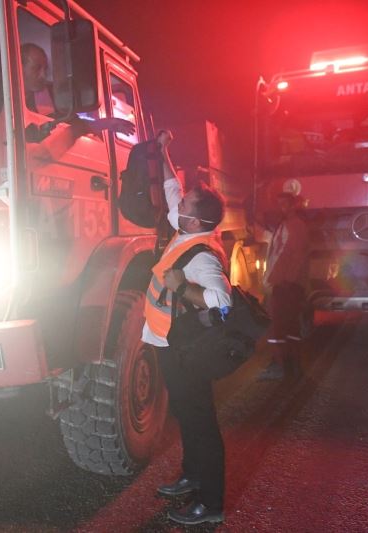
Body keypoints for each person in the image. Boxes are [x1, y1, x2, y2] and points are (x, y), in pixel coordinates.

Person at [143, 131, 231, 525]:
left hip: (186, 353)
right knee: (185, 414)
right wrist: (163, 151)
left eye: (186, 207)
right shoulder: (187, 231)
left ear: (193, 220)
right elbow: (171, 187)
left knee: (200, 422)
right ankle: (192, 476)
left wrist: (187, 288)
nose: (177, 206)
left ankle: (210, 503)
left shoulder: (202, 257)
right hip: (166, 343)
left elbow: (223, 301)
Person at [19, 42, 134, 150]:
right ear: (19, 66)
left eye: (45, 69)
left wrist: (107, 123)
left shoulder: (52, 95)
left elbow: (78, 125)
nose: (43, 75)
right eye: (36, 68)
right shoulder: (3, 99)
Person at [259, 191, 309, 381]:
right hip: (291, 285)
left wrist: (271, 281)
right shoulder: (293, 225)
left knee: (278, 329)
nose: (281, 208)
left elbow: (283, 256)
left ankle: (281, 366)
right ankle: (293, 367)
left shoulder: (291, 226)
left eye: (285, 204)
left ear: (294, 205)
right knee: (290, 328)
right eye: (279, 204)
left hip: (284, 286)